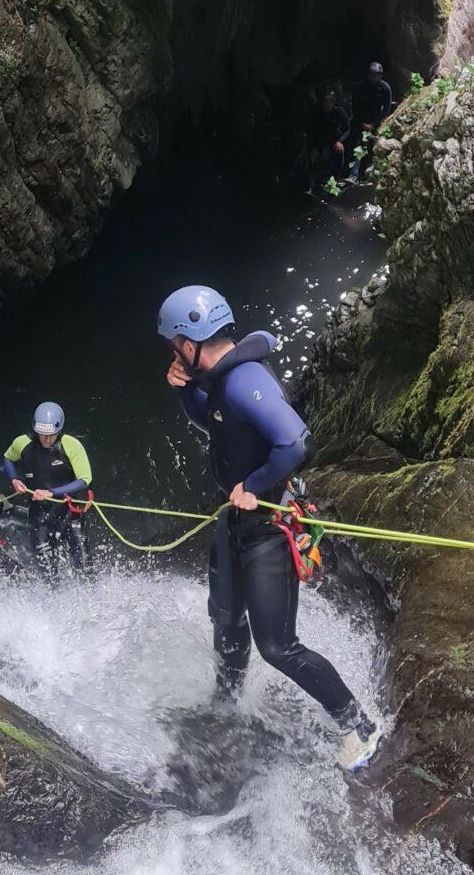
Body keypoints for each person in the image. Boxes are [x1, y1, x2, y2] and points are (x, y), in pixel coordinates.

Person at [158, 284, 380, 772]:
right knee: (226, 616)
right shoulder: (219, 379)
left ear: (191, 340)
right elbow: (212, 420)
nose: (172, 351)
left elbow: (296, 442)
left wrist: (253, 485)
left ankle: (359, 726)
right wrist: (184, 391)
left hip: (268, 525)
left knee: (278, 646)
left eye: (174, 343)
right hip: (239, 521)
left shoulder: (243, 380)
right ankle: (227, 703)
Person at [3, 403, 92, 576]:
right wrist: (14, 479)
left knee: (84, 566)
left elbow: (85, 479)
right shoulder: (22, 443)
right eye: (42, 435)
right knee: (49, 572)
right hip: (39, 514)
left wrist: (52, 493)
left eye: (51, 435)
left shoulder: (71, 445)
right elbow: (8, 458)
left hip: (68, 511)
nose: (47, 440)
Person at [350, 62, 393, 181]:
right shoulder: (361, 86)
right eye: (372, 74)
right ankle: (353, 175)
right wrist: (362, 123)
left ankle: (369, 175)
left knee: (374, 148)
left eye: (376, 75)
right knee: (359, 146)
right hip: (362, 121)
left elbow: (387, 108)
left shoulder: (385, 88)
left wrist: (374, 124)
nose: (373, 77)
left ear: (380, 75)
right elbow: (355, 106)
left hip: (376, 121)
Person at [310, 90, 350, 189]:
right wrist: (314, 147)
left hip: (335, 141)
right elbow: (313, 132)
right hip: (320, 143)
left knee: (339, 150)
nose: (327, 104)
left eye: (330, 102)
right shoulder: (318, 114)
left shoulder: (339, 112)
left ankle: (336, 179)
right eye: (325, 102)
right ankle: (313, 184)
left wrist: (340, 141)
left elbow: (348, 129)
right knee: (314, 158)